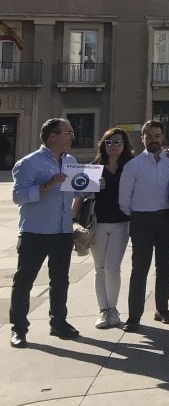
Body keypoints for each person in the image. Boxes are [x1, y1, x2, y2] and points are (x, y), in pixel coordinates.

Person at [9, 118, 80, 348]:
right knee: (24, 282)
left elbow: (76, 191)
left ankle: (58, 322)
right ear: (52, 136)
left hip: (62, 232)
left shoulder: (71, 161)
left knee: (60, 281)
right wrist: (47, 185)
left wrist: (92, 187)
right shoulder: (28, 163)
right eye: (68, 132)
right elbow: (18, 196)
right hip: (35, 231)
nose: (72, 136)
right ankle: (19, 329)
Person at [118, 120, 169, 332]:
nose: (154, 140)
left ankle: (162, 309)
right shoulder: (133, 165)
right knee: (140, 269)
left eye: (157, 136)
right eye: (149, 136)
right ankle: (134, 317)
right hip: (142, 221)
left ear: (163, 137)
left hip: (167, 218)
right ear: (142, 138)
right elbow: (124, 199)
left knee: (164, 267)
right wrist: (138, 214)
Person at [79, 127, 133, 330]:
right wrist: (91, 187)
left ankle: (114, 309)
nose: (113, 146)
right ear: (103, 144)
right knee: (99, 267)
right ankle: (104, 310)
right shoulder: (95, 167)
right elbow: (80, 193)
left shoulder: (130, 166)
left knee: (113, 267)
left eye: (117, 142)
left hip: (121, 223)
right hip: (98, 223)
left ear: (124, 145)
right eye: (109, 142)